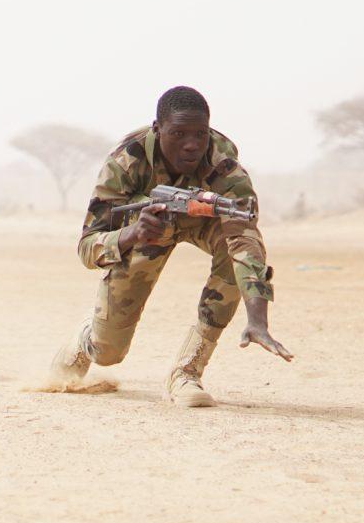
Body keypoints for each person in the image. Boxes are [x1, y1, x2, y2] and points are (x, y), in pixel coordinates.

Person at [49, 86, 293, 406]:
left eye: (200, 134)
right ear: (157, 129)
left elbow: (246, 245)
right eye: (178, 133)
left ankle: (187, 371)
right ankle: (86, 341)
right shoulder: (125, 163)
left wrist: (258, 319)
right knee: (109, 353)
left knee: (238, 248)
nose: (191, 145)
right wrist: (133, 233)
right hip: (146, 233)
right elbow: (87, 248)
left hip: (205, 223)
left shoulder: (225, 167)